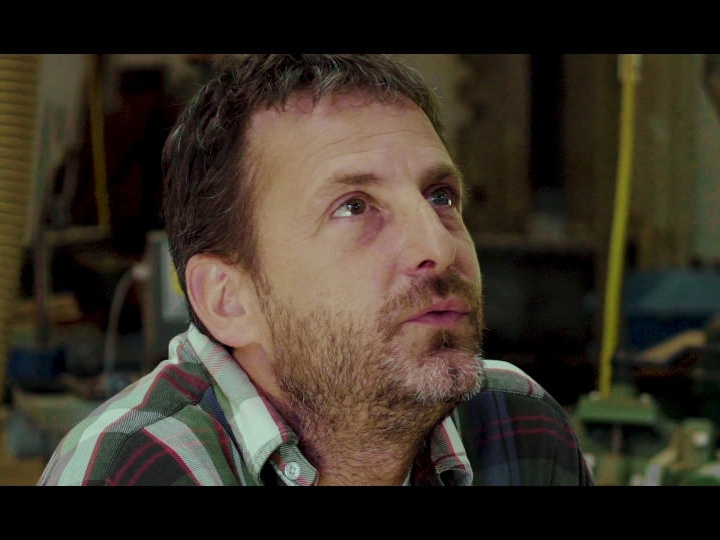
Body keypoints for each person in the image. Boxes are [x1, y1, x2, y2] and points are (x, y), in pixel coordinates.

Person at [39, 54, 594, 486]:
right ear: (228, 299)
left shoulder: (522, 428)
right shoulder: (137, 469)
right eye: (354, 206)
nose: (440, 247)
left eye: (441, 196)